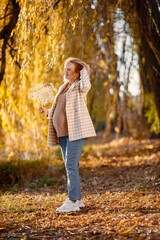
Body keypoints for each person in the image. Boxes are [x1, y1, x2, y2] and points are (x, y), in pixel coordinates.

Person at [39, 57, 96, 212]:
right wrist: (48, 112)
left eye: (69, 69)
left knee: (70, 165)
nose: (66, 71)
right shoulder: (63, 87)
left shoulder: (79, 86)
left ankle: (71, 200)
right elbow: (61, 110)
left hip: (75, 132)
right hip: (63, 133)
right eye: (65, 68)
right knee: (70, 166)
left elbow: (86, 85)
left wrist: (83, 69)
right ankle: (77, 200)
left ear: (77, 73)